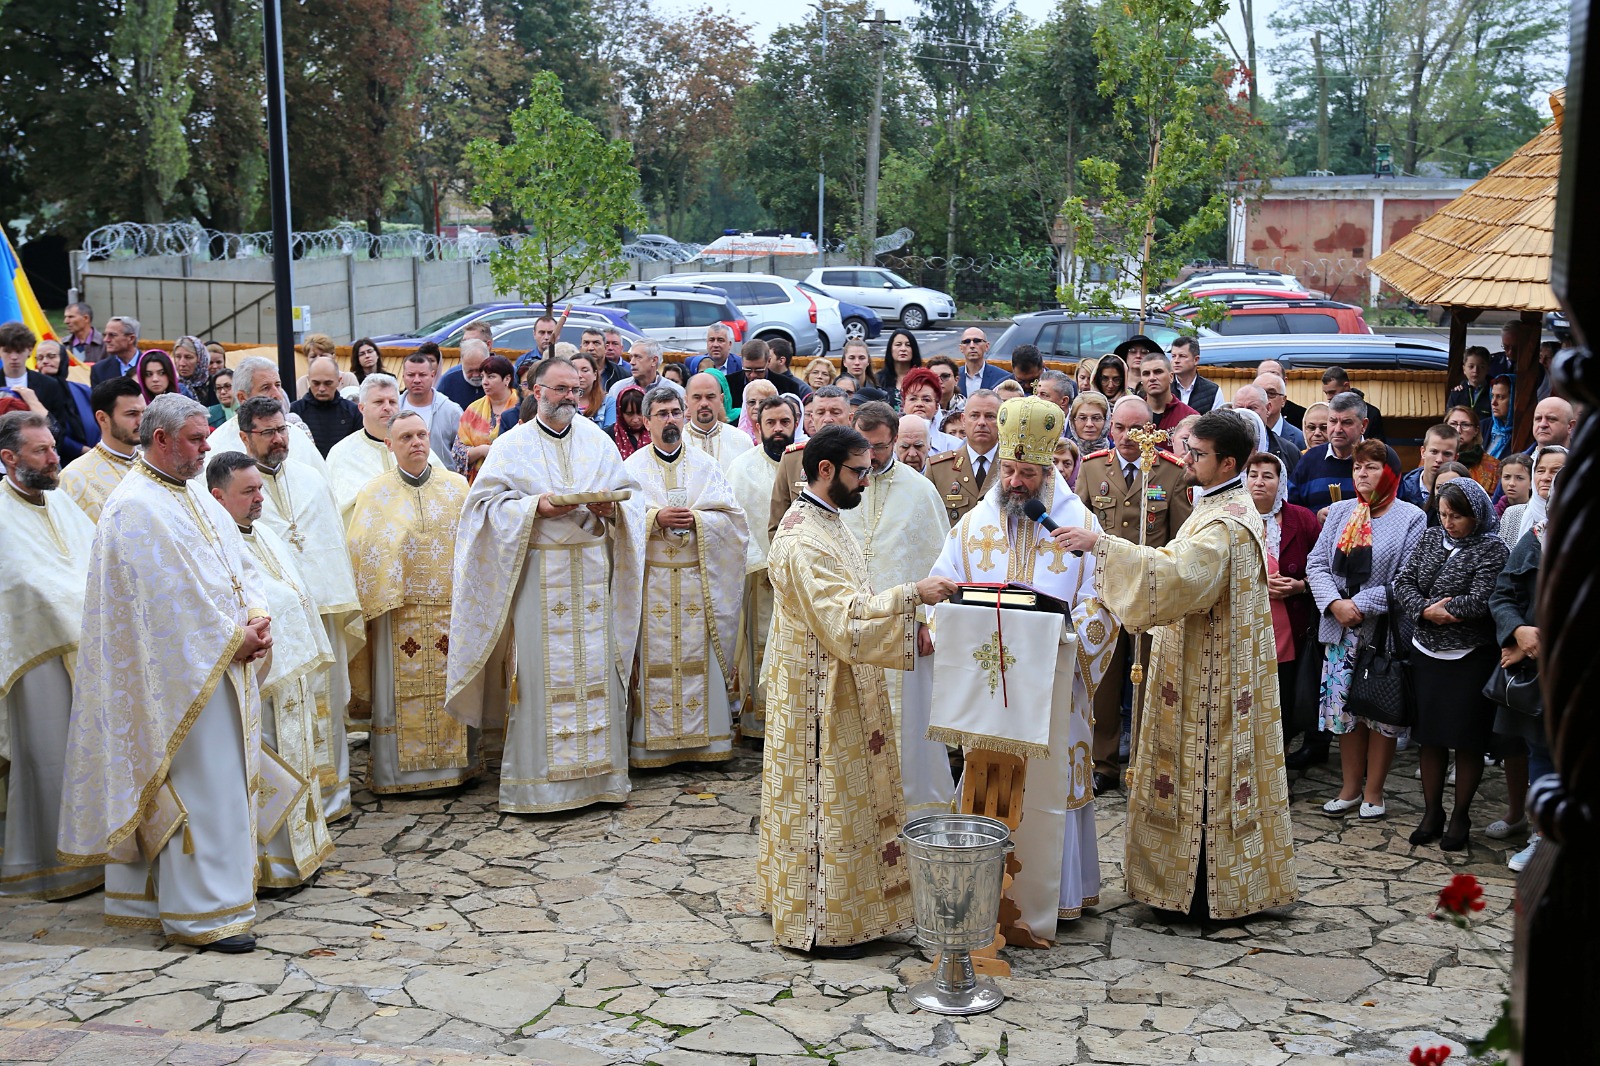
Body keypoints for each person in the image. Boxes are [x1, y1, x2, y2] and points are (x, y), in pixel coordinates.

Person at [1057, 411, 1298, 920]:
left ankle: (1200, 889)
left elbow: (1180, 578)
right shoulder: (1217, 503)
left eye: (1198, 454)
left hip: (1211, 674)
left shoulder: (1227, 522)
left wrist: (1102, 545)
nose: (1186, 459)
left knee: (1204, 771)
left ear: (1227, 462)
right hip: (1201, 659)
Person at [59, 394, 275, 953]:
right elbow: (165, 609)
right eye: (198, 440)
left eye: (207, 438)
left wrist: (256, 613)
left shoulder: (193, 496)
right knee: (198, 790)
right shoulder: (134, 507)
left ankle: (224, 898)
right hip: (180, 681)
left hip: (219, 665)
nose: (208, 449)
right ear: (161, 440)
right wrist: (235, 637)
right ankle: (199, 915)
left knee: (221, 788)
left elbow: (237, 566)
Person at [759, 423, 958, 956]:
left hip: (845, 680)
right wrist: (912, 595)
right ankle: (823, 919)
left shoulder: (830, 522)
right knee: (828, 800)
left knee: (857, 797)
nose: (866, 483)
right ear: (825, 470)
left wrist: (905, 620)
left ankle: (862, 907)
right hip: (818, 692)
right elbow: (841, 617)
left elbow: (855, 594)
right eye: (858, 471)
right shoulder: (802, 538)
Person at [926, 396, 1117, 927]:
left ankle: (1052, 896)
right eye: (1008, 470)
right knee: (987, 782)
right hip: (990, 688)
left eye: (1027, 473)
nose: (1015, 482)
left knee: (1051, 786)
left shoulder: (1077, 523)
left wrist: (1071, 642)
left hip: (1053, 685)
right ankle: (983, 886)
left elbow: (1101, 603)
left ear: (1050, 470)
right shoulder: (973, 524)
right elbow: (943, 586)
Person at [446, 358, 648, 814]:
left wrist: (611, 511)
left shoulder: (598, 441)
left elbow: (631, 501)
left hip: (593, 579)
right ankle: (537, 788)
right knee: (539, 677)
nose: (568, 398)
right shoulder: (511, 445)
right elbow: (480, 511)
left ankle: (602, 780)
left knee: (596, 670)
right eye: (559, 390)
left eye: (574, 390)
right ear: (536, 392)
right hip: (538, 576)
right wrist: (533, 508)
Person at [205, 452, 335, 890]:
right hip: (260, 682)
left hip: (290, 674)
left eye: (260, 488)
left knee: (298, 761)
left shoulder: (261, 534)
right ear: (218, 496)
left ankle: (303, 854)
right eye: (249, 491)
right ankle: (270, 866)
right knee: (271, 764)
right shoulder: (215, 548)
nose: (260, 497)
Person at [234, 396, 364, 822]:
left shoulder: (310, 477)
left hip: (323, 610)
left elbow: (331, 542)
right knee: (286, 712)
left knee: (328, 703)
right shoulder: (237, 491)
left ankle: (335, 797)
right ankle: (295, 806)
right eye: (267, 432)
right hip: (279, 622)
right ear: (244, 436)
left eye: (282, 430)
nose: (277, 440)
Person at [347, 410, 481, 797]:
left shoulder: (457, 487)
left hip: (450, 610)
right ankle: (399, 777)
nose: (417, 443)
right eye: (405, 437)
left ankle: (457, 770)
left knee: (448, 686)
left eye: (421, 434)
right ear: (389, 445)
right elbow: (361, 549)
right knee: (399, 691)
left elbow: (474, 545)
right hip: (397, 611)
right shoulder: (374, 493)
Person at [0, 412, 103, 900]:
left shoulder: (60, 501)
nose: (54, 457)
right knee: (48, 758)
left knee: (92, 755)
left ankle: (103, 856)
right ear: (9, 458)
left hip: (88, 648)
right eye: (40, 451)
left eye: (52, 447)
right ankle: (52, 868)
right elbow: (16, 585)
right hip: (35, 655)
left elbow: (92, 560)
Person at [623, 387, 748, 767]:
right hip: (652, 583)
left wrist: (698, 519)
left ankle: (707, 744)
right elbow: (619, 523)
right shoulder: (631, 469)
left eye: (676, 412)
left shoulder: (706, 466)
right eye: (661, 413)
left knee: (699, 658)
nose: (671, 419)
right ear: (647, 422)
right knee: (654, 659)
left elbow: (733, 521)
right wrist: (652, 519)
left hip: (698, 581)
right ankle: (650, 747)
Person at [838, 402, 952, 811]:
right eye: (863, 446)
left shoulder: (921, 491)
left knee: (907, 723)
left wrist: (928, 621)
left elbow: (938, 561)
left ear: (894, 439)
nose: (871, 456)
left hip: (905, 628)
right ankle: (858, 802)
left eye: (881, 447)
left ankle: (912, 805)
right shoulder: (838, 486)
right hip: (851, 626)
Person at [1076, 395, 1193, 791]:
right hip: (1106, 593)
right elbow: (1079, 527)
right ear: (1111, 428)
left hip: (1149, 594)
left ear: (1154, 431)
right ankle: (1103, 765)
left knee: (1147, 679)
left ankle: (1144, 764)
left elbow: (1180, 538)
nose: (1128, 436)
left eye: (1138, 428)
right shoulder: (1093, 469)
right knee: (1104, 683)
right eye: (1121, 427)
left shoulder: (1172, 473)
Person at [1301, 440, 1426, 795]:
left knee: (1379, 714)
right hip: (1339, 628)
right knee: (1345, 716)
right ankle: (1350, 788)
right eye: (1358, 467)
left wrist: (1360, 605)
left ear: (1389, 473)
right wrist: (1335, 604)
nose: (1362, 473)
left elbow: (1407, 578)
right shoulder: (1341, 512)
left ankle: (1374, 792)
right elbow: (1317, 563)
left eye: (1371, 467)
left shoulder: (1410, 517)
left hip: (1381, 633)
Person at [1393, 479, 1510, 851]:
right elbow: (1403, 582)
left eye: (1457, 516)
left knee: (1466, 739)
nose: (1448, 522)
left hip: (1469, 657)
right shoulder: (1429, 538)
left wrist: (1448, 611)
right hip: (1426, 651)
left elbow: (1481, 599)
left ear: (1476, 515)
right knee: (1430, 736)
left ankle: (1460, 814)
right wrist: (1425, 610)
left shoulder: (1493, 548)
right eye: (1443, 514)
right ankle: (1432, 812)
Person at [726, 396, 796, 739]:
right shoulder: (741, 468)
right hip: (760, 578)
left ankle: (795, 721)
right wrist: (762, 563)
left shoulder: (809, 463)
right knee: (761, 644)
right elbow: (733, 521)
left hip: (802, 577)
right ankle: (759, 726)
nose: (778, 429)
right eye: (771, 423)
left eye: (785, 421)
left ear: (796, 423)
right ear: (758, 427)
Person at [1489, 502, 1550, 873]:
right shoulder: (1537, 538)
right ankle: (1542, 839)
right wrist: (1517, 631)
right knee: (1541, 754)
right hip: (1539, 675)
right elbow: (1503, 593)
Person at [1246, 452, 1319, 740]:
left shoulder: (1301, 519)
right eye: (1253, 475)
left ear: (1281, 481)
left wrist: (1301, 586)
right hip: (1245, 627)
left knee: (1283, 701)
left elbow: (1324, 566)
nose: (1259, 482)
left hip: (1290, 626)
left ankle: (1279, 772)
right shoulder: (1231, 519)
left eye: (1268, 476)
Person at [326, 373, 443, 525]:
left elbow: (442, 490)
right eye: (379, 402)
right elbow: (338, 511)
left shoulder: (417, 445)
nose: (387, 407)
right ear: (362, 408)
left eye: (392, 402)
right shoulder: (341, 453)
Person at [209, 356, 329, 476]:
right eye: (266, 388)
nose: (277, 395)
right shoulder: (218, 445)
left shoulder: (298, 435)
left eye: (277, 385)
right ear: (242, 397)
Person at [1290, 392, 1402, 516]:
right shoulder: (1309, 459)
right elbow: (1291, 511)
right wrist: (1315, 517)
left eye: (1346, 422)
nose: (1337, 429)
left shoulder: (1383, 458)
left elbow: (1398, 509)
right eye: (1332, 421)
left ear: (1363, 425)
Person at [766, 385, 852, 537]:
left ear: (850, 418)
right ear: (812, 419)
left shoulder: (863, 459)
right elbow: (777, 525)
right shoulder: (792, 459)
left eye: (835, 412)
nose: (827, 419)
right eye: (820, 412)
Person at [60, 377, 144, 522]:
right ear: (103, 418)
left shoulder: (154, 464)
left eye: (144, 412)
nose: (141, 421)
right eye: (132, 414)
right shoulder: (74, 478)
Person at [1, 321, 83, 461]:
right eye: (8, 351)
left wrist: (34, 402)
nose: (14, 357)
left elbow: (59, 432)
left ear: (29, 350)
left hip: (38, 458)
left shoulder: (50, 385)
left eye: (19, 351)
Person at [923, 388, 1002, 526]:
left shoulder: (1014, 467)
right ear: (963, 420)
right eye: (974, 415)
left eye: (990, 416)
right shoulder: (939, 469)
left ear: (1002, 421)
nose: (981, 422)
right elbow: (928, 522)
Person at [453, 354, 520, 484]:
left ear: (507, 379)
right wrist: (482, 450)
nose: (484, 381)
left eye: (491, 377)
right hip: (479, 482)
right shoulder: (473, 410)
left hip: (514, 480)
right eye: (483, 376)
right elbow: (457, 452)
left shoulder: (522, 407)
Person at [398, 352, 463, 471]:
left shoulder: (451, 411)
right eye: (411, 375)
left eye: (422, 375)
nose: (416, 380)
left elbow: (464, 451)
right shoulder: (394, 409)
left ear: (432, 375)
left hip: (443, 482)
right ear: (403, 376)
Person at [33, 338, 97, 454]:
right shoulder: (33, 393)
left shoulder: (82, 390)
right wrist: (81, 449)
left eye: (51, 356)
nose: (45, 361)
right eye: (40, 358)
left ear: (63, 359)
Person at [290, 356, 363, 456]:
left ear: (339, 381)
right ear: (308, 380)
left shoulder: (354, 412)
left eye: (328, 383)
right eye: (316, 383)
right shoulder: (294, 411)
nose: (321, 388)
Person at [603, 341, 684, 429]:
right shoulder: (618, 389)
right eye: (631, 357)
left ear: (654, 360)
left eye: (638, 357)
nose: (632, 362)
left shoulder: (676, 391)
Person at [684, 371, 753, 474]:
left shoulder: (742, 440)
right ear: (686, 400)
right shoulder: (676, 442)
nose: (704, 403)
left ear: (721, 399)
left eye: (710, 397)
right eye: (697, 397)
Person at [1500, 445, 1566, 547]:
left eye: (1555, 471)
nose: (1545, 477)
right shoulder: (1513, 515)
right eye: (1540, 471)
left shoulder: (1577, 519)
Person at [1231, 384, 1299, 471]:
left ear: (1268, 408)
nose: (1245, 414)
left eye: (1252, 408)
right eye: (1239, 408)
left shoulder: (1289, 452)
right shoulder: (1221, 449)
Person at [898, 367, 961, 454]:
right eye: (913, 399)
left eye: (926, 400)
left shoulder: (954, 446)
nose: (919, 404)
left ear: (936, 407)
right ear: (904, 404)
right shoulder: (890, 444)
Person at [1399, 424, 1459, 511]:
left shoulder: (1462, 493)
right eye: (1434, 452)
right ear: (1423, 452)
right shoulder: (1402, 490)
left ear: (1455, 458)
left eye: (1447, 454)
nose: (1439, 459)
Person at [1444, 405, 1500, 495]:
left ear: (1476, 430)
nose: (1458, 430)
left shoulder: (1494, 466)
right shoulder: (1434, 458)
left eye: (1465, 425)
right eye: (1453, 424)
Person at [1321, 367, 1386, 441]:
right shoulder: (1324, 411)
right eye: (1326, 393)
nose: (1328, 397)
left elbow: (1378, 448)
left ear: (1346, 386)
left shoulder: (1372, 413)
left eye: (1332, 392)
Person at [1139, 352, 1198, 431]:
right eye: (1146, 374)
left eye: (1158, 372)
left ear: (1171, 377)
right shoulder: (1133, 414)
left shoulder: (1189, 417)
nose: (1152, 378)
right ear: (1141, 381)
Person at [956, 327, 1013, 395]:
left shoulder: (1003, 378)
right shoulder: (952, 377)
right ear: (961, 348)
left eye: (977, 341)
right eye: (966, 342)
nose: (972, 346)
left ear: (986, 346)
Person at [1169, 337, 1219, 412]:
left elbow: (1219, 422)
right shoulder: (1164, 387)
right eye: (1173, 356)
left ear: (1196, 360)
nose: (1176, 361)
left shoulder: (1214, 391)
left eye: (1182, 356)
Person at [1255, 373, 1304, 450]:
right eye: (1260, 394)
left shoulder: (1299, 438)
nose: (1265, 399)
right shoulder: (1242, 434)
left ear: (1283, 400)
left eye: (1271, 393)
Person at [437, 337, 489, 410]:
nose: (475, 375)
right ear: (462, 363)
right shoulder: (448, 381)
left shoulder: (501, 377)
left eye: (479, 370)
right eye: (470, 371)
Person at [89, 315, 144, 384]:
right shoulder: (99, 370)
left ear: (131, 339)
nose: (106, 340)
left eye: (112, 335)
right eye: (104, 335)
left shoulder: (151, 366)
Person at [1446, 347, 1494, 420]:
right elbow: (1448, 419)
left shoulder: (1494, 392)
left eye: (1481, 367)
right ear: (1464, 369)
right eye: (1471, 366)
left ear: (1488, 369)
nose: (1475, 371)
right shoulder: (1457, 393)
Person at [877, 330, 922, 404]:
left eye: (908, 345)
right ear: (890, 349)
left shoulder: (922, 379)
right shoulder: (879, 380)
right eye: (898, 344)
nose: (903, 349)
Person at [610, 383, 651, 457]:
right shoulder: (609, 435)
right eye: (629, 414)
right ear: (620, 413)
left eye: (640, 413)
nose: (635, 419)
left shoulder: (655, 432)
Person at [170, 335, 214, 404]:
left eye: (188, 357)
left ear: (200, 359)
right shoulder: (171, 387)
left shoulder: (215, 385)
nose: (182, 363)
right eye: (178, 357)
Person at [1484, 377, 1515, 459]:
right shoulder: (1483, 426)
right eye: (1492, 396)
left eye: (1500, 397)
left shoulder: (1521, 433)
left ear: (1514, 399)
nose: (1493, 402)